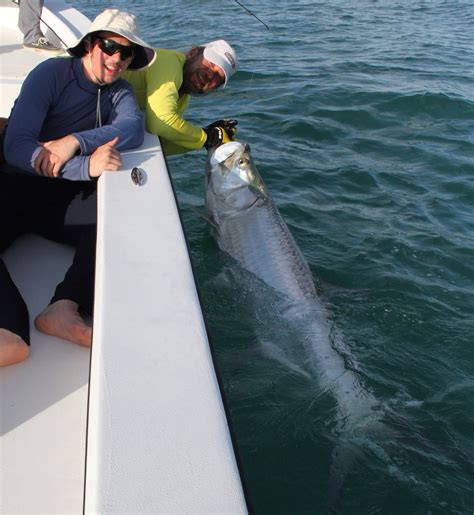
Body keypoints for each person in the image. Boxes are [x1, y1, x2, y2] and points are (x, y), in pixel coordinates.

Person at [0, 8, 156, 367]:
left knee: (114, 223)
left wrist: (74, 141)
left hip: (58, 196)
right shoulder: (51, 74)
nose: (116, 58)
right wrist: (86, 165)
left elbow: (133, 127)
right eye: (108, 46)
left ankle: (63, 307)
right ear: (89, 44)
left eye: (126, 52)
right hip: (13, 183)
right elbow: (17, 147)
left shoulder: (119, 93)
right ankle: (9, 331)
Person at [122, 39, 239, 156]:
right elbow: (159, 123)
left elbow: (161, 141)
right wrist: (206, 137)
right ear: (192, 53)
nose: (210, 75)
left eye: (218, 77)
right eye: (211, 63)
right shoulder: (170, 62)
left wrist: (208, 139)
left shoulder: (183, 100)